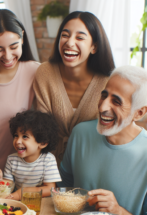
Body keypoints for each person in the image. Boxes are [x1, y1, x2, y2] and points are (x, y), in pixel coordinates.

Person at [58, 66, 147, 215]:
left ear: (139, 113)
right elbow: (61, 190)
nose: (102, 107)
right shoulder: (80, 134)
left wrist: (119, 212)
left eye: (116, 101)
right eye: (104, 96)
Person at [34, 11, 115, 164]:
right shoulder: (45, 73)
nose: (70, 43)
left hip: (93, 161)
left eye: (79, 37)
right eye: (65, 35)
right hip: (50, 163)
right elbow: (42, 125)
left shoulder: (108, 82)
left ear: (94, 47)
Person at [0, 9, 40, 171]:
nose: (7, 56)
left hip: (18, 171)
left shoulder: (34, 71)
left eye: (14, 47)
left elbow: (43, 124)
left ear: (23, 39)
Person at [0, 110, 61, 200]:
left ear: (42, 143)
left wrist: (21, 193)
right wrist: (0, 180)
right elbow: (9, 185)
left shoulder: (48, 159)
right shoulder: (12, 159)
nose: (18, 141)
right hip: (19, 201)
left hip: (40, 201)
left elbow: (49, 188)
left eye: (25, 136)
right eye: (16, 135)